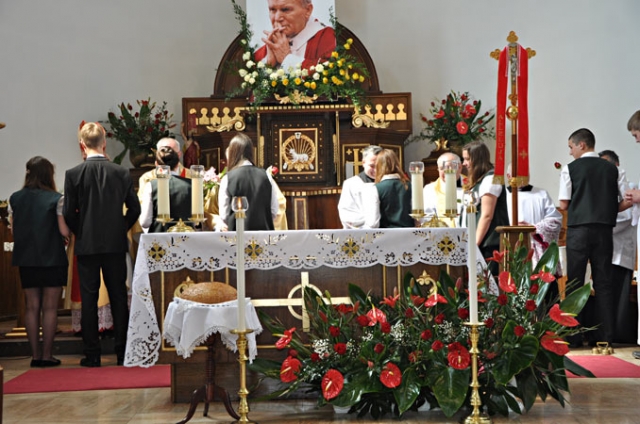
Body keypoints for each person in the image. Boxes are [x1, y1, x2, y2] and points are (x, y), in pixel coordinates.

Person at [63, 122, 141, 367]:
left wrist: (82, 232)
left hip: (87, 245)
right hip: (115, 244)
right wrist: (120, 228)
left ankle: (92, 354)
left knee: (89, 299)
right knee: (118, 296)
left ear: (82, 145)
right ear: (104, 143)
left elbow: (68, 213)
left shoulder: (73, 174)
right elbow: (135, 209)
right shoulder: (121, 172)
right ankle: (123, 352)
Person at [558, 128, 621, 348]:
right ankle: (604, 336)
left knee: (576, 281)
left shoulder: (570, 168)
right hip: (604, 230)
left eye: (571, 147)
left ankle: (574, 335)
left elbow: (563, 203)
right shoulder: (611, 168)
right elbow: (621, 200)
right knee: (603, 281)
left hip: (578, 230)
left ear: (581, 145)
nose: (570, 152)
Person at [9, 156, 70, 367]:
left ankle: (35, 356)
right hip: (52, 257)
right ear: (48, 175)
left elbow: (14, 231)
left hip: (26, 258)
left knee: (31, 307)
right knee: (50, 308)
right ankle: (47, 355)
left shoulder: (15, 198)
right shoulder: (57, 199)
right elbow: (64, 231)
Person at [598, 150, 637, 344]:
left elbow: (626, 217)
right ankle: (604, 332)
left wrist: (601, 224)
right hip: (604, 250)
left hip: (621, 251)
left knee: (619, 296)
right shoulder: (602, 188)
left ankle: (620, 334)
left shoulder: (629, 188)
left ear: (616, 165)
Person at [462, 141, 509, 276]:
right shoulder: (481, 180)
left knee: (488, 283)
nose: (464, 163)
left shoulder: (491, 178)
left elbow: (487, 215)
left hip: (489, 244)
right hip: (480, 243)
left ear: (477, 159)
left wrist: (474, 244)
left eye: (467, 159)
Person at [505, 164, 562, 269]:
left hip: (536, 247)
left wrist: (535, 228)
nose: (523, 176)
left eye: (525, 173)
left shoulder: (541, 194)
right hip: (510, 247)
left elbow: (555, 220)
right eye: (518, 173)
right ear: (509, 176)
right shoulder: (503, 196)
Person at [218, 132, 279, 231]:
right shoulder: (266, 175)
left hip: (237, 235)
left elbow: (224, 214)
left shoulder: (228, 178)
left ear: (232, 153)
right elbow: (274, 210)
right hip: (263, 235)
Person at [254, 0, 336, 70]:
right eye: (272, 10)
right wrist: (268, 66)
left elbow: (330, 75)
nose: (277, 18)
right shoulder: (264, 52)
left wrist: (287, 59)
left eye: (285, 10)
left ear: (308, 10)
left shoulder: (327, 39)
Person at [139, 138, 193, 233]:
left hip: (158, 237)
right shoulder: (193, 182)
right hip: (187, 236)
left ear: (156, 163)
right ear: (178, 160)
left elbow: (145, 222)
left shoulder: (151, 185)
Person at [362, 149, 414, 228]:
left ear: (379, 166)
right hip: (410, 233)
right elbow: (418, 217)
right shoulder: (411, 185)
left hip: (386, 234)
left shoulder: (375, 189)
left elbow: (373, 223)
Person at [338, 145, 382, 228]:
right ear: (363, 163)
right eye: (372, 166)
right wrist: (371, 223)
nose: (376, 170)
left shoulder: (387, 183)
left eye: (379, 166)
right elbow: (346, 214)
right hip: (360, 232)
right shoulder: (351, 184)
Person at [423, 152, 464, 227]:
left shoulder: (470, 186)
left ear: (460, 167)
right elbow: (427, 218)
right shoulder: (429, 190)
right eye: (442, 168)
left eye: (448, 167)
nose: (445, 171)